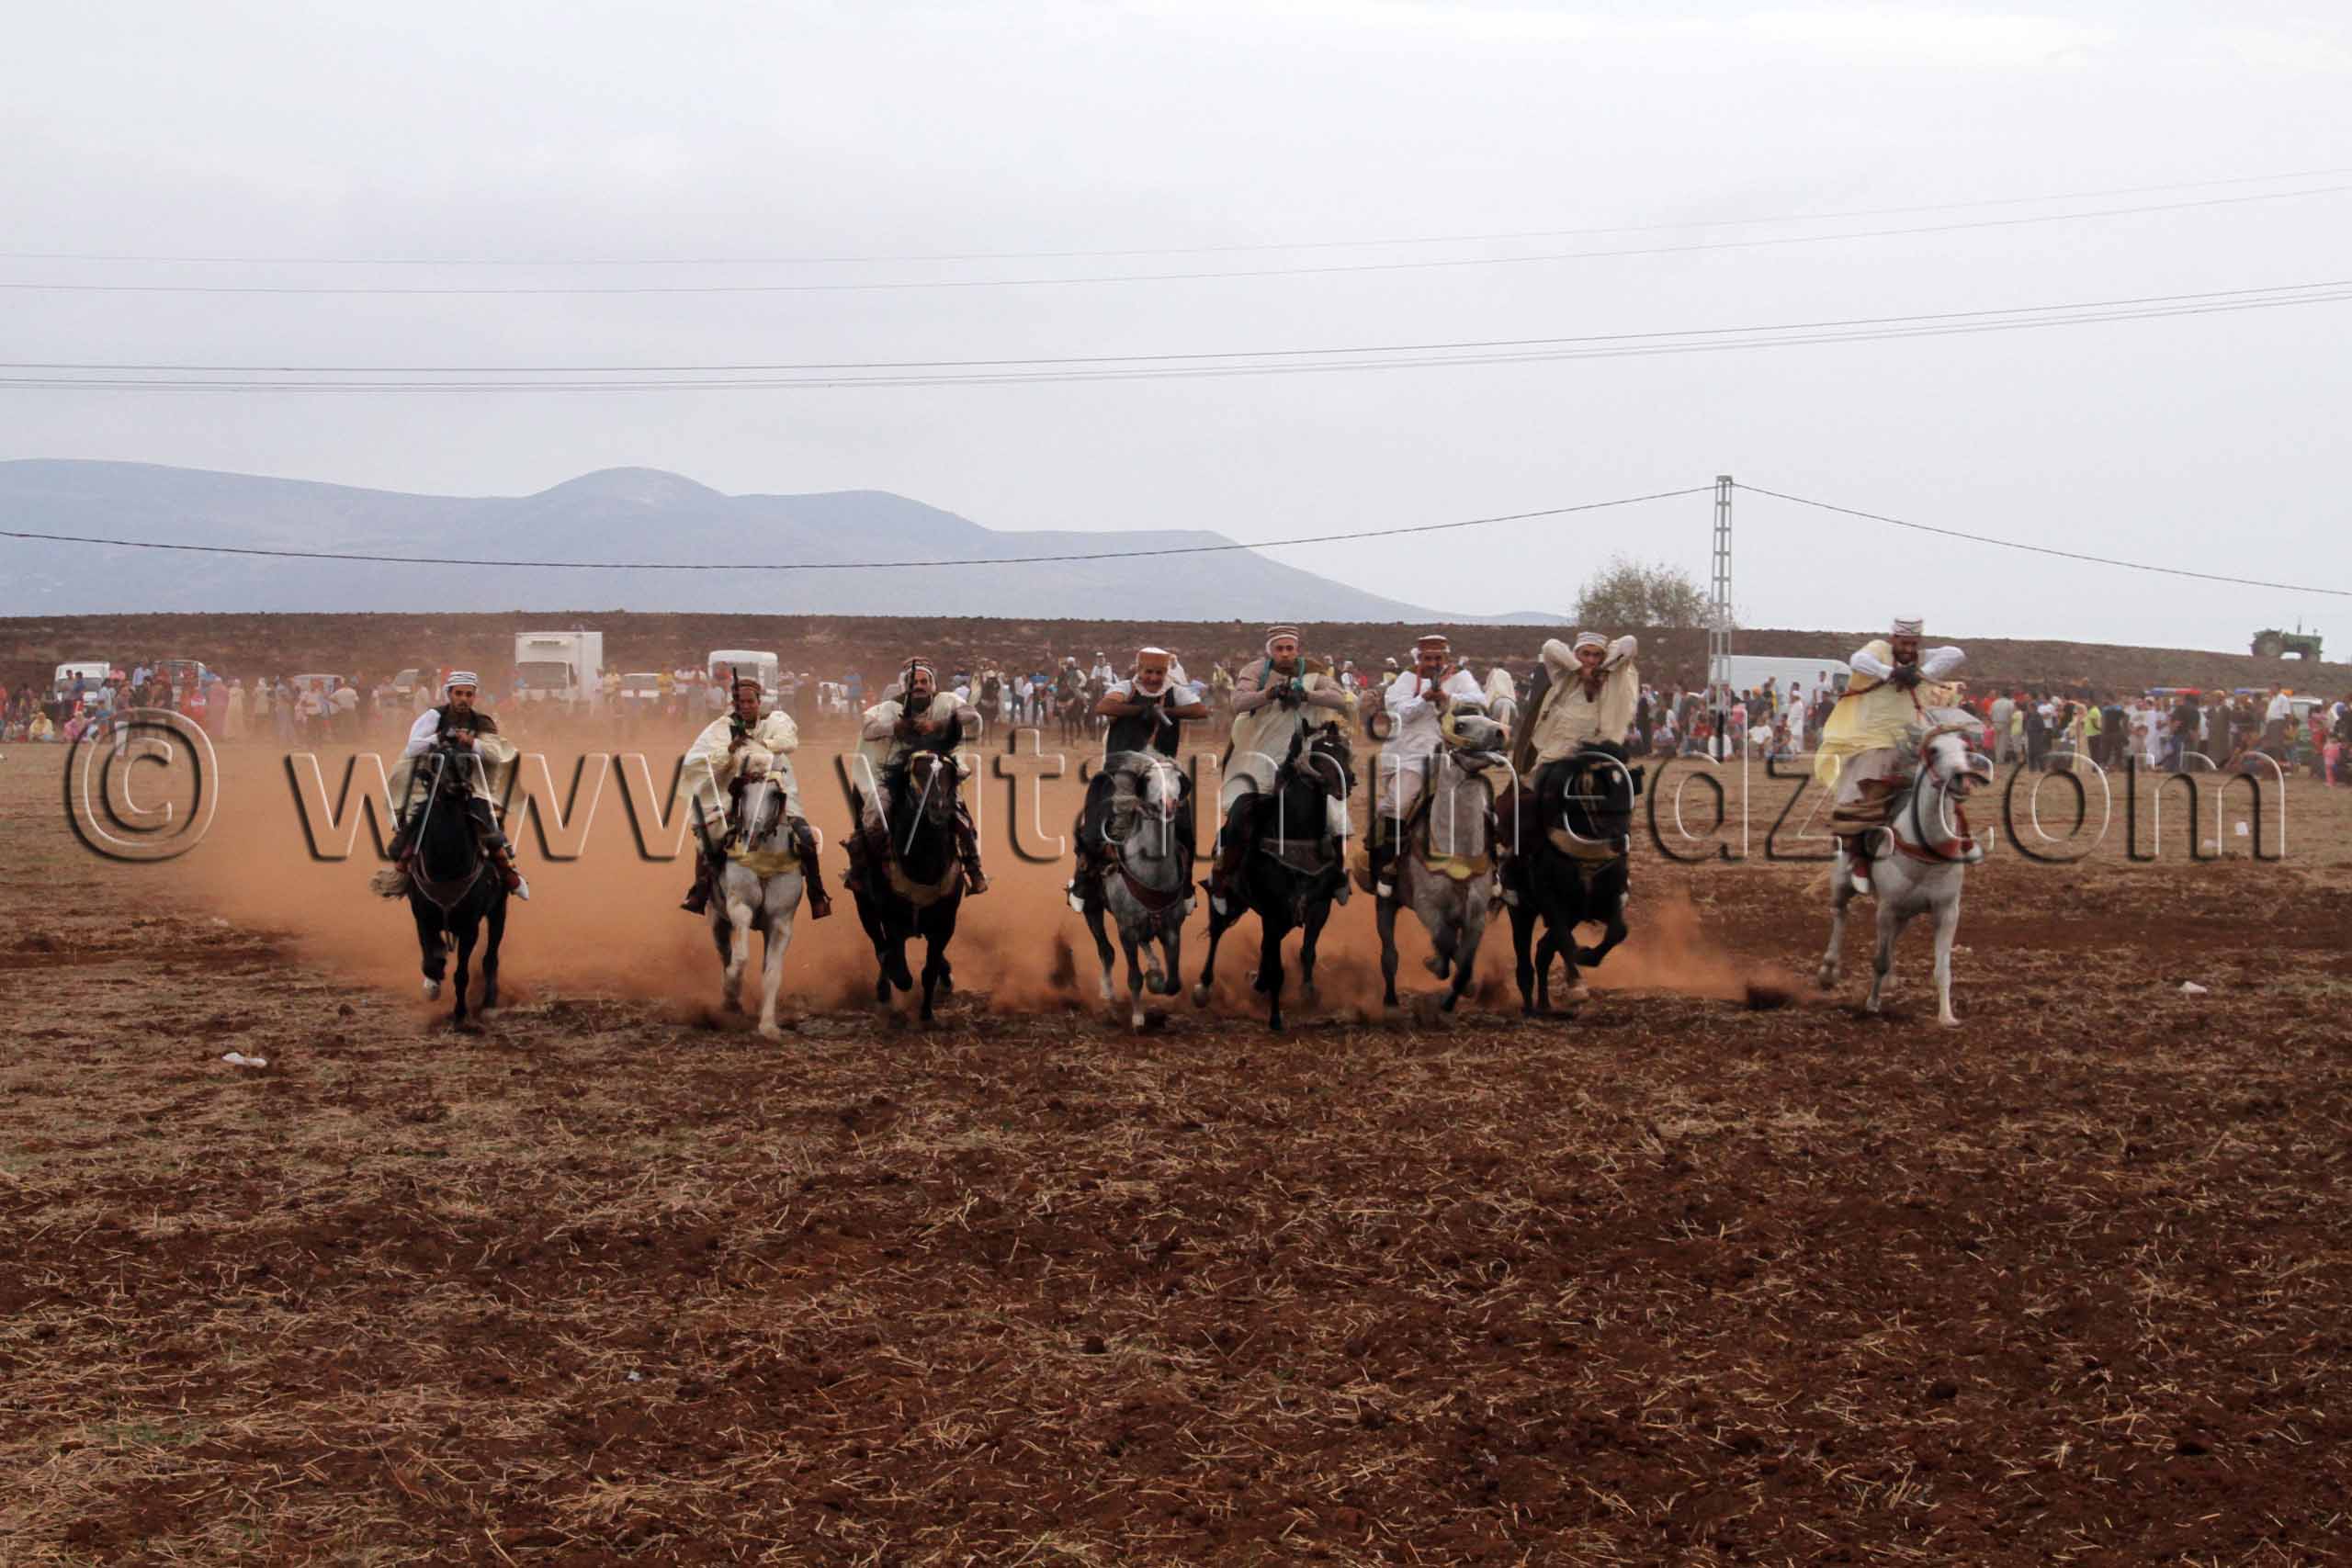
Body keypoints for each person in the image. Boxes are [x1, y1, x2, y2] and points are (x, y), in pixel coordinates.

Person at [1203, 627, 1348, 914]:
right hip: (1261, 753)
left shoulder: (1314, 670)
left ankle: (1338, 874)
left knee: (1335, 813)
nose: (1285, 653)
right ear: (1271, 650)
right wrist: (1269, 693)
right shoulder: (1256, 670)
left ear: (1297, 649)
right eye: (1279, 648)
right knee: (1242, 811)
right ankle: (1221, 874)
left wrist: (1307, 694)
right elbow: (1238, 702)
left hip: (1304, 754)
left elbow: (1340, 698)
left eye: (1289, 648)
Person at [1815, 616, 1964, 894]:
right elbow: (1857, 660)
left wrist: (1920, 672)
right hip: (1874, 743)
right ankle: (1859, 861)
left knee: (1947, 784)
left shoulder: (1922, 659)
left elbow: (1956, 653)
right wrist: (1890, 672)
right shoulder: (1879, 650)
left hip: (1913, 742)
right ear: (1893, 638)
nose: (1909, 648)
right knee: (1865, 805)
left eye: (1913, 643)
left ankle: (1955, 843)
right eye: (1904, 643)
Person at [1069, 647, 1210, 908]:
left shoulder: (1174, 691)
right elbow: (1104, 706)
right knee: (1095, 825)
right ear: (1139, 670)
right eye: (1149, 672)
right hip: (1122, 766)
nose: (1154, 678)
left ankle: (1186, 886)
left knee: (1184, 823)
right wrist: (1141, 710)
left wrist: (1167, 712)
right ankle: (1082, 882)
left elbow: (1201, 710)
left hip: (1161, 768)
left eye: (1159, 673)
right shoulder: (1125, 688)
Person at [678, 676, 831, 919]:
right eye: (741, 702)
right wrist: (730, 751)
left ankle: (817, 893)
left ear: (759, 702)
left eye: (751, 701)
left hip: (777, 792)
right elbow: (700, 761)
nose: (746, 706)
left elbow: (789, 742)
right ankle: (700, 890)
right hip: (735, 794)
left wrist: (756, 744)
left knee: (805, 838)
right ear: (734, 704)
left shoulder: (775, 720)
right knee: (709, 838)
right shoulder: (721, 727)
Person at [847, 659, 988, 895]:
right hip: (896, 774)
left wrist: (939, 724)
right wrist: (896, 728)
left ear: (932, 684)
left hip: (937, 772)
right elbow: (868, 730)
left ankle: (973, 867)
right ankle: (862, 868)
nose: (919, 686)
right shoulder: (887, 708)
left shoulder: (947, 701)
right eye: (914, 682)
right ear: (905, 685)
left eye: (924, 681)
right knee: (877, 810)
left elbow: (970, 714)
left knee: (959, 814)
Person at [1363, 633, 1483, 899]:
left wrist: (1448, 697)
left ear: (1446, 657)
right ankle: (1387, 865)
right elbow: (1398, 711)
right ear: (1419, 658)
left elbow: (1480, 700)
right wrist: (1424, 698)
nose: (1433, 663)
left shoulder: (1460, 676)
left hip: (1455, 754)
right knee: (1399, 803)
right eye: (1428, 658)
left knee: (1481, 803)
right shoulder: (1406, 679)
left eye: (1438, 658)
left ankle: (1492, 870)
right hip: (1412, 755)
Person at [388, 672, 529, 897]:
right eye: (459, 693)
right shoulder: (434, 717)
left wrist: (471, 742)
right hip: (433, 785)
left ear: (474, 696)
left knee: (487, 825)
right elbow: (412, 748)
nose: (464, 699)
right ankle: (400, 872)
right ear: (449, 694)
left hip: (471, 786)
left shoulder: (482, 722)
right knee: (413, 825)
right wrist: (439, 738)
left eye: (468, 694)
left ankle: (508, 873)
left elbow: (495, 753)